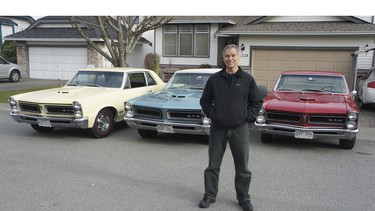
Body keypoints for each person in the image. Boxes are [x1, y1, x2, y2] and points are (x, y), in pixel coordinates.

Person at [199, 44, 263, 211]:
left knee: (242, 167)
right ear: (223, 58)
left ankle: (244, 198)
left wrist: (247, 117)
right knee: (213, 165)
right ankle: (209, 195)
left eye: (233, 55)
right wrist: (212, 114)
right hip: (218, 129)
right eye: (227, 56)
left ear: (239, 57)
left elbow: (257, 101)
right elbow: (204, 100)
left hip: (240, 129)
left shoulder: (247, 79)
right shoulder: (214, 79)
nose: (230, 58)